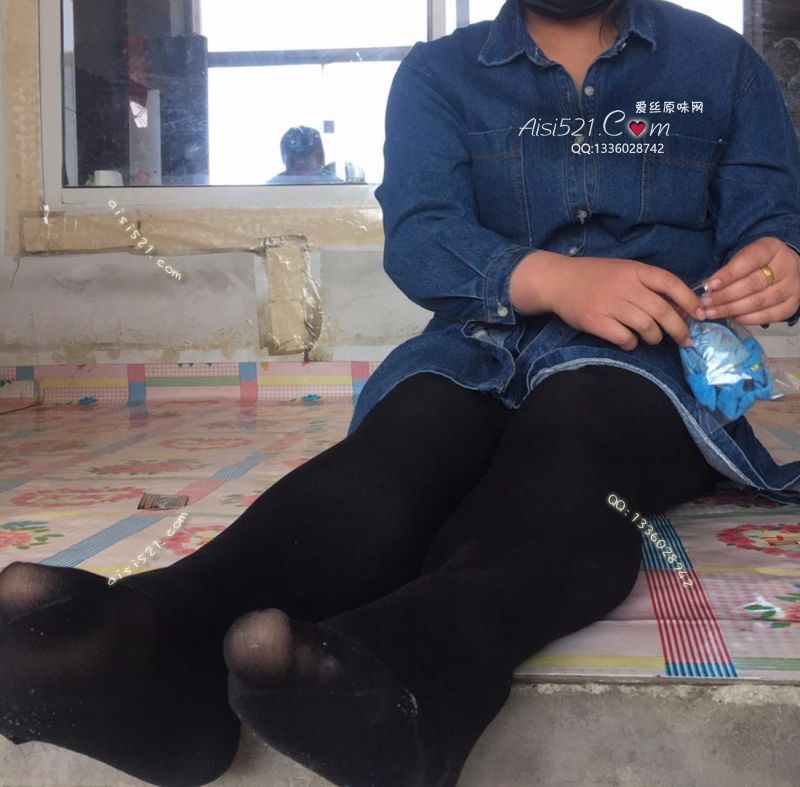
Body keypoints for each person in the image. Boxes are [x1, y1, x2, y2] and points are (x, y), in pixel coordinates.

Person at [3, 1, 800, 786]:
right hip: (477, 344)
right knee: (403, 443)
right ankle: (153, 645)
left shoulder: (719, 64)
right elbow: (420, 234)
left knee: (574, 440)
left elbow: (772, 222)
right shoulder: (439, 73)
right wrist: (552, 279)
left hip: (641, 358)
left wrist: (779, 258)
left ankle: (427, 662)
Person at [266, 125, 345, 184]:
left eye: (309, 165)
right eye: (298, 167)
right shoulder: (272, 189)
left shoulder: (336, 186)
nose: (304, 175)